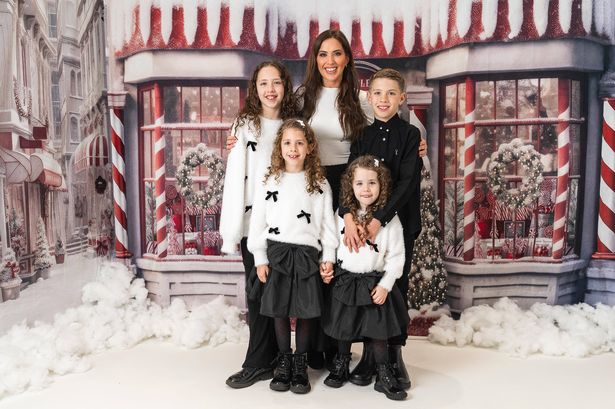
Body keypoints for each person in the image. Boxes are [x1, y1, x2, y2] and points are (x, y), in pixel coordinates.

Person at [339, 68, 422, 390]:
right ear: (369, 97)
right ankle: (370, 355)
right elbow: (349, 177)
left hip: (399, 222)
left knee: (394, 286)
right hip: (362, 223)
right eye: (377, 93)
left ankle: (394, 353)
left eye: (390, 93)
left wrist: (380, 219)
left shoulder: (410, 135)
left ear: (402, 98)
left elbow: (407, 182)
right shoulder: (362, 134)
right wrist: (349, 216)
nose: (383, 99)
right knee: (367, 285)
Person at [219, 60, 297, 389]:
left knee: (282, 294)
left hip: (288, 223)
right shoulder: (245, 125)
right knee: (257, 291)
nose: (270, 89)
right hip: (254, 222)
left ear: (285, 86)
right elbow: (236, 177)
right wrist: (233, 226)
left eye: (276, 82)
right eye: (263, 83)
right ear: (255, 88)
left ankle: (285, 357)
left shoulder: (296, 124)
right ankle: (258, 361)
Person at [248, 119, 338, 394]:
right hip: (277, 252)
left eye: (299, 142)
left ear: (309, 147)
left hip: (307, 254)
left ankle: (300, 365)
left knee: (306, 310)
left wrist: (328, 256)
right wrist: (260, 257)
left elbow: (327, 224)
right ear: (279, 147)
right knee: (279, 310)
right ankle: (284, 361)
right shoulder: (270, 181)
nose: (293, 148)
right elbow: (258, 221)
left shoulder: (319, 183)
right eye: (287, 142)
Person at [322, 155, 409, 401]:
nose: (366, 189)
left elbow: (397, 257)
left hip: (373, 282)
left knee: (378, 330)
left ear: (382, 185)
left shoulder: (388, 221)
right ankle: (341, 363)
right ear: (350, 185)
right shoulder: (343, 216)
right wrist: (327, 263)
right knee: (344, 327)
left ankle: (383, 373)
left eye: (372, 183)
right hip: (346, 280)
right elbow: (330, 241)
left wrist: (385, 285)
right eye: (359, 183)